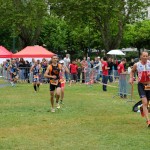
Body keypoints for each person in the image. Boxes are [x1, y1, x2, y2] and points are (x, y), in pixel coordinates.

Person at [129, 52, 150, 127]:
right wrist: (131, 78)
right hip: (141, 85)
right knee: (144, 102)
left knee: (147, 103)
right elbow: (132, 71)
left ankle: (141, 108)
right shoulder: (137, 65)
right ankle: (148, 121)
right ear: (141, 57)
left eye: (146, 56)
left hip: (149, 85)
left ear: (148, 57)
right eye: (143, 56)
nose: (145, 57)